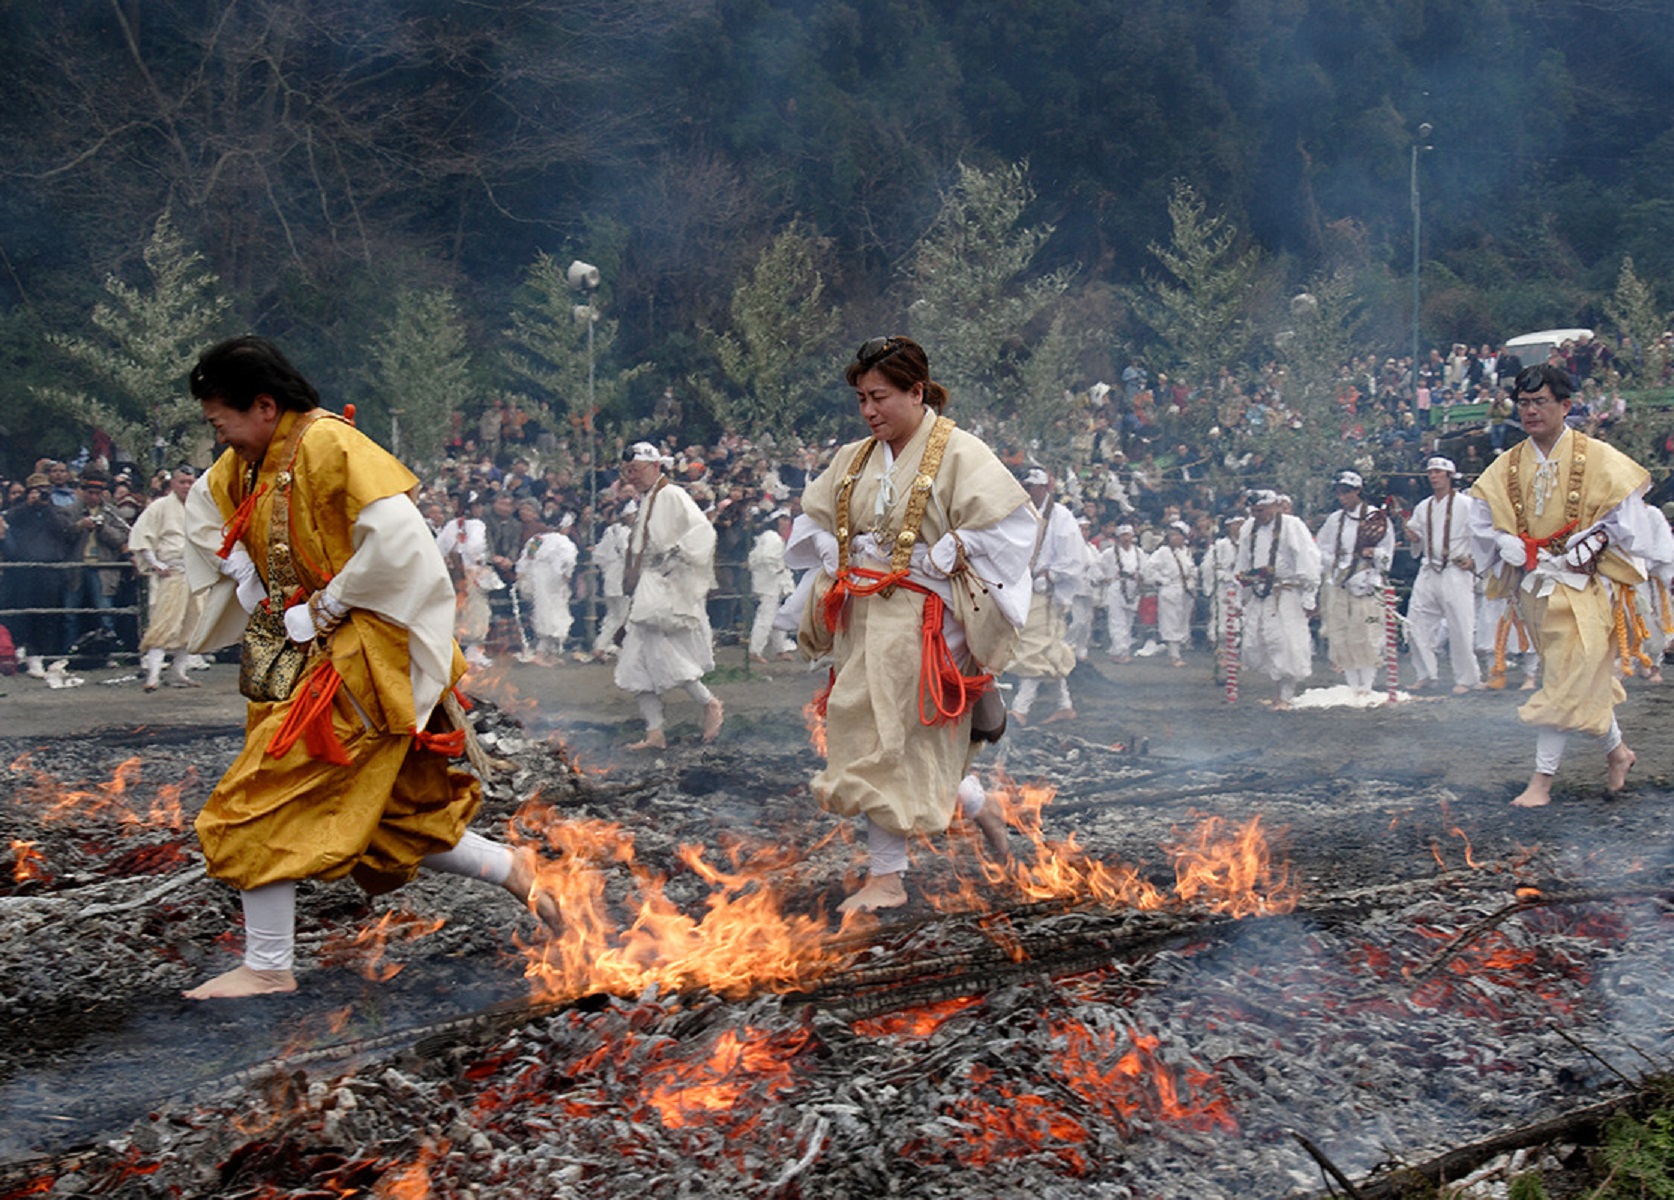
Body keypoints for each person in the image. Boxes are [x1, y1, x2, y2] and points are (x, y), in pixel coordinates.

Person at [179, 335, 553, 999]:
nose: (221, 436)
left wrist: (326, 606)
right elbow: (208, 508)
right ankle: (511, 867)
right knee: (379, 813)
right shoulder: (249, 462)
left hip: (361, 663)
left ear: (263, 406)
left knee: (257, 801)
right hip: (307, 664)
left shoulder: (331, 445)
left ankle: (267, 967)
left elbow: (403, 548)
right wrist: (237, 563)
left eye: (221, 420)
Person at [781, 336, 1033, 913]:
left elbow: (1014, 529)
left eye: (880, 397)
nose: (869, 411)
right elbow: (813, 520)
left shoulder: (962, 453)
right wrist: (827, 546)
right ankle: (975, 803)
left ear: (916, 392)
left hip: (927, 617)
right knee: (880, 729)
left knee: (889, 732)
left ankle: (887, 877)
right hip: (864, 614)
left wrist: (961, 543)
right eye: (862, 400)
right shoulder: (852, 458)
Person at [1468, 363, 1674, 807]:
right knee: (1575, 678)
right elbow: (1481, 518)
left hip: (1582, 590)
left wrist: (1597, 537)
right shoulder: (1507, 464)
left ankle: (1541, 782)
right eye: (1523, 403)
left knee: (1562, 681)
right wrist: (1504, 542)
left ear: (1565, 405)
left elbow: (1630, 515)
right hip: (1535, 589)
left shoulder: (1597, 456)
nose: (1530, 411)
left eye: (1539, 402)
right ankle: (1619, 752)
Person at [613, 441, 724, 750]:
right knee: (634, 662)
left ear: (655, 467)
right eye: (628, 472)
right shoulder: (647, 501)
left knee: (662, 654)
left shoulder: (672, 495)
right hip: (647, 586)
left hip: (665, 588)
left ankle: (709, 703)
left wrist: (675, 557)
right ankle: (655, 732)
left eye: (636, 470)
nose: (632, 477)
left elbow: (702, 531)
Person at [1006, 468, 1090, 725]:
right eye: (1025, 486)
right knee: (1047, 648)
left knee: (1033, 646)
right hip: (1023, 588)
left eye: (1032, 486)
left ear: (1044, 488)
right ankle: (1065, 705)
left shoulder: (1061, 517)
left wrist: (1051, 576)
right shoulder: (1021, 513)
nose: (1028, 490)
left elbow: (1075, 558)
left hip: (1046, 591)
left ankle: (1021, 709)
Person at [1234, 489, 1321, 709]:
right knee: (1261, 642)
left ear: (1275, 506)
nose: (1258, 515)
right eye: (1253, 511)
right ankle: (1278, 691)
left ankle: (1286, 694)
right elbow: (1244, 562)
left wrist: (1309, 596)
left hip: (1287, 592)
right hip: (1260, 593)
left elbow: (1307, 559)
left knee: (1286, 642)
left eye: (1261, 510)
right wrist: (1240, 596)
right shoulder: (1248, 528)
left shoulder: (1292, 526)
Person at [1405, 456, 1481, 693]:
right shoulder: (1424, 506)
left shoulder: (1466, 504)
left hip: (1455, 571)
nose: (1433, 476)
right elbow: (1416, 534)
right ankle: (1426, 673)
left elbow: (1482, 535)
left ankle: (1466, 678)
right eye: (1430, 472)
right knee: (1415, 621)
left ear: (1449, 476)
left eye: (1438, 472)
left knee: (1460, 624)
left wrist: (1474, 560)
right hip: (1429, 570)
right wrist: (1412, 536)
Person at [1314, 469, 1394, 693]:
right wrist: (1338, 564)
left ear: (1358, 491)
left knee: (1367, 632)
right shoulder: (1335, 520)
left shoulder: (1376, 517)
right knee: (1341, 632)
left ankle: (1367, 684)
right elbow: (1321, 549)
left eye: (1347, 492)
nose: (1343, 497)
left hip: (1367, 581)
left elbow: (1387, 553)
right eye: (1339, 493)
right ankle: (1352, 684)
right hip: (1340, 581)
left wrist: (1373, 556)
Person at [127, 464, 203, 691]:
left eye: (190, 482)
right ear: (173, 483)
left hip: (195, 572)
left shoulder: (200, 507)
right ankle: (153, 675)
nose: (187, 487)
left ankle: (179, 672)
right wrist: (154, 563)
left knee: (193, 623)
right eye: (182, 482)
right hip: (171, 571)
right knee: (164, 622)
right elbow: (143, 534)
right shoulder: (159, 507)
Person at [1, 472, 76, 677]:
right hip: (25, 570)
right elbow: (12, 521)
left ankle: (43, 655)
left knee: (48, 616)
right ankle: (23, 653)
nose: (40, 494)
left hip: (50, 570)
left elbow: (66, 532)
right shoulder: (19, 512)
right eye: (35, 491)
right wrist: (29, 504)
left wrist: (47, 507)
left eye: (44, 490)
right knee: (25, 615)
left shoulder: (58, 512)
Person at [63, 466, 132, 659]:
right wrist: (79, 526)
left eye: (97, 493)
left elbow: (122, 537)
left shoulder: (112, 512)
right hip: (76, 568)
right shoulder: (70, 510)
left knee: (106, 613)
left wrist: (103, 528)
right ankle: (68, 654)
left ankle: (109, 655)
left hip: (103, 569)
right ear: (83, 491)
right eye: (89, 492)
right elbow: (62, 535)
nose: (93, 497)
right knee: (70, 615)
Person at [434, 492, 500, 668]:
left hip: (455, 575)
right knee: (478, 613)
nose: (481, 509)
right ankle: (474, 655)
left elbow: (439, 547)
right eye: (478, 505)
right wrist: (480, 562)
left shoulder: (451, 525)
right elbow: (475, 548)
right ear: (473, 507)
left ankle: (451, 654)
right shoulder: (477, 525)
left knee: (457, 613)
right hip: (473, 574)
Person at [516, 513, 578, 664]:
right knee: (553, 614)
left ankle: (550, 652)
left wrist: (524, 578)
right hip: (553, 580)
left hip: (537, 579)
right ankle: (540, 653)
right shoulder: (563, 541)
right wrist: (567, 574)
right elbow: (569, 559)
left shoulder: (536, 539)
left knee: (543, 612)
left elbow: (526, 559)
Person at [1144, 520, 1197, 667]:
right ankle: (1174, 655)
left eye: (1177, 535)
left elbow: (1191, 569)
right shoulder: (1162, 552)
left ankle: (1179, 649)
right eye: (1172, 535)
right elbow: (1148, 569)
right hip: (1170, 588)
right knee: (1170, 620)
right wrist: (1162, 580)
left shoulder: (1186, 551)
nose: (1174, 538)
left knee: (1182, 619)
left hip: (1185, 589)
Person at [746, 507, 796, 662]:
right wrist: (779, 569)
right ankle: (755, 651)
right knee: (765, 618)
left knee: (778, 616)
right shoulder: (771, 537)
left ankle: (780, 648)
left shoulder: (773, 537)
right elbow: (766, 558)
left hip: (776, 584)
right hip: (769, 583)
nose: (786, 522)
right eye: (783, 518)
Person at [1201, 514, 1244, 681]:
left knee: (1240, 622)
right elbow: (1207, 566)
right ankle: (1221, 656)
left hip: (1242, 588)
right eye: (1236, 524)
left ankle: (1235, 656)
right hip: (1224, 588)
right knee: (1222, 623)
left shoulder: (1249, 545)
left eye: (1241, 524)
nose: (1239, 527)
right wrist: (1220, 576)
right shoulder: (1220, 545)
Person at [590, 501, 634, 660]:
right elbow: (630, 555)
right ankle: (602, 646)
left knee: (613, 614)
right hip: (623, 580)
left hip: (609, 579)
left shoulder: (609, 531)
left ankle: (602, 644)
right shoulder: (627, 533)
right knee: (621, 615)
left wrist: (607, 569)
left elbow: (598, 556)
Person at [1100, 524, 1145, 662]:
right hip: (1116, 587)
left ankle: (1118, 650)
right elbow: (1097, 567)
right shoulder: (1109, 552)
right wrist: (1103, 578)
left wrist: (1143, 578)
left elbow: (1146, 569)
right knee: (1117, 621)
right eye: (1123, 536)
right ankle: (1121, 652)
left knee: (1128, 621)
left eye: (1128, 535)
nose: (1126, 538)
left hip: (1133, 588)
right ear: (1118, 538)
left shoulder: (1139, 552)